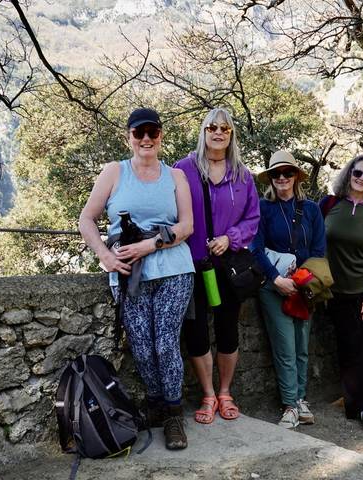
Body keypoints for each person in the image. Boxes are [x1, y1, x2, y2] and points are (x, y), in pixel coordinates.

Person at [78, 107, 195, 450]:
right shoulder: (115, 172)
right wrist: (104, 254)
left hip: (172, 267)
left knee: (165, 342)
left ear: (160, 136)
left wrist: (150, 244)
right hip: (128, 273)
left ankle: (174, 413)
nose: (146, 139)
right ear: (128, 137)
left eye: (152, 132)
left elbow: (186, 226)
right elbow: (87, 219)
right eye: (138, 133)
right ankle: (157, 403)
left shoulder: (175, 177)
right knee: (142, 345)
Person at [174, 108, 260, 425]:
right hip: (192, 265)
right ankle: (208, 395)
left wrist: (231, 237)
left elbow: (253, 218)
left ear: (231, 133)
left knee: (227, 329)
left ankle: (225, 392)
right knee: (196, 332)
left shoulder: (242, 175)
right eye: (212, 126)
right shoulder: (183, 170)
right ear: (204, 131)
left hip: (227, 266)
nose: (218, 132)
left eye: (225, 127)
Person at [251, 150, 326, 429]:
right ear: (270, 178)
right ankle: (290, 404)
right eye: (276, 174)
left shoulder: (311, 210)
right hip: (274, 286)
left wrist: (300, 279)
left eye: (288, 173)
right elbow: (255, 247)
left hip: (304, 286)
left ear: (297, 176)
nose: (282, 178)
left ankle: (301, 397)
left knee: (301, 346)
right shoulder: (263, 207)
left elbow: (319, 249)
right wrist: (276, 279)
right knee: (285, 345)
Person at [320, 154, 363, 429]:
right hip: (336, 291)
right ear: (349, 173)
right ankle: (358, 407)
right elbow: (314, 239)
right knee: (349, 349)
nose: (361, 179)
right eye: (357, 173)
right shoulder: (329, 204)